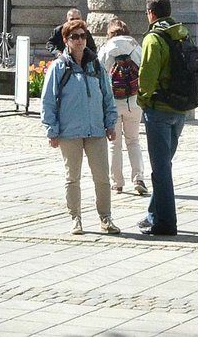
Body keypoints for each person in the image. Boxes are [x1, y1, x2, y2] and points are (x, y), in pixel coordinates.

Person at [39, 15, 119, 236]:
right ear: (66, 40)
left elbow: (107, 95)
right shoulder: (59, 67)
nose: (80, 40)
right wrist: (51, 130)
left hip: (96, 130)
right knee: (72, 177)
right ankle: (76, 218)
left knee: (102, 177)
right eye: (75, 37)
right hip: (69, 132)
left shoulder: (95, 65)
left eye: (83, 36)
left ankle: (106, 218)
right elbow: (48, 101)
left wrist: (110, 123)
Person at [136, 0, 193, 238]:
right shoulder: (181, 33)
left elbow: (146, 77)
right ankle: (152, 215)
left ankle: (166, 224)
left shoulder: (153, 39)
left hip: (158, 109)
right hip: (180, 109)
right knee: (164, 165)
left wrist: (142, 102)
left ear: (151, 13)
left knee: (160, 170)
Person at [98, 17, 149, 198]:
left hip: (113, 102)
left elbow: (100, 77)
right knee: (133, 141)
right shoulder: (136, 48)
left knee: (114, 144)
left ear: (109, 34)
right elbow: (145, 71)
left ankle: (117, 183)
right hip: (134, 101)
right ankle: (138, 179)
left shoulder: (105, 50)